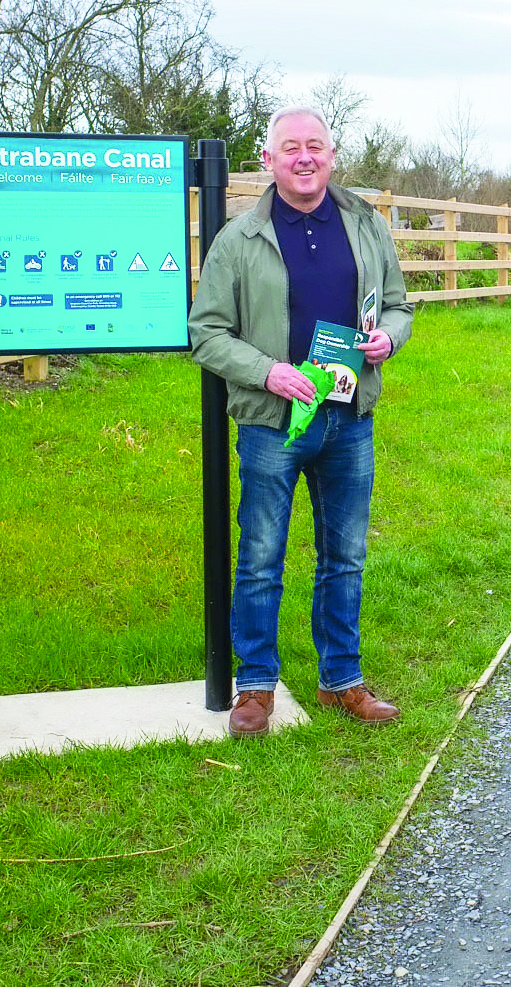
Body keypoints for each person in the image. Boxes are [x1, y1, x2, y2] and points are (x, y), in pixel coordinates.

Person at [189, 105, 414, 737]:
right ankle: (256, 686)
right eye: (291, 148)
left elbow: (398, 306)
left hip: (349, 418)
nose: (304, 157)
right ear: (269, 160)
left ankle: (342, 679)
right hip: (272, 421)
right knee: (261, 555)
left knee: (345, 554)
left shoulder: (366, 225)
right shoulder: (239, 239)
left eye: (315, 145)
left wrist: (387, 342)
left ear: (333, 155)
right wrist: (269, 373)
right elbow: (205, 333)